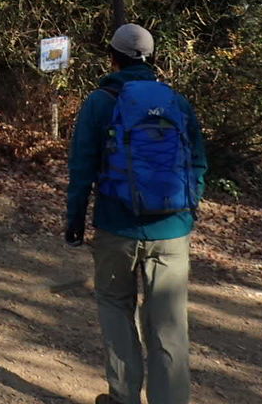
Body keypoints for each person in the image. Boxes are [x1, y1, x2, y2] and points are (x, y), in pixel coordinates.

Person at [64, 23, 207, 404]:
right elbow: (198, 163)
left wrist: (75, 218)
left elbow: (81, 167)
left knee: (114, 306)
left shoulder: (101, 101)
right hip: (172, 228)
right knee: (169, 323)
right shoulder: (177, 101)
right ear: (152, 58)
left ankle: (123, 396)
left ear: (112, 56)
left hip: (116, 224)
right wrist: (188, 210)